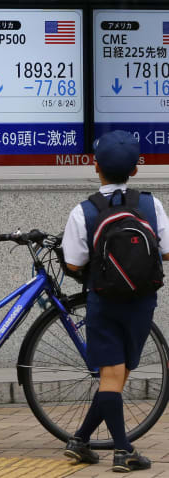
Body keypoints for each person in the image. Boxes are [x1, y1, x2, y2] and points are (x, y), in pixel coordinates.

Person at [61, 130, 168, 472]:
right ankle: (105, 445)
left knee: (111, 373)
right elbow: (166, 251)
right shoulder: (152, 205)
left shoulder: (84, 211)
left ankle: (109, 447)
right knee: (118, 373)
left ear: (96, 167)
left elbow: (74, 262)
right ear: (135, 170)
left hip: (103, 301)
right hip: (141, 302)